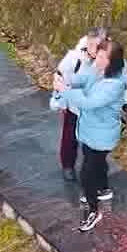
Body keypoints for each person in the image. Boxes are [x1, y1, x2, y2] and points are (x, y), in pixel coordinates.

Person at [51, 39, 127, 233]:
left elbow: (88, 102)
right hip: (89, 131)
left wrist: (65, 91)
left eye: (103, 57)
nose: (98, 59)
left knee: (86, 173)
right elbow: (84, 78)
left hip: (101, 136)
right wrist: (67, 80)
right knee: (97, 163)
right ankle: (103, 189)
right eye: (98, 55)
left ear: (113, 62)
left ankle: (93, 210)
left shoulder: (114, 85)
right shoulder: (98, 70)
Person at [53, 28, 109, 182]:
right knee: (70, 137)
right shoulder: (74, 58)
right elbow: (59, 75)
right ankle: (67, 166)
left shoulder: (109, 58)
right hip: (74, 106)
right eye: (93, 46)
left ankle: (92, 169)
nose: (96, 50)